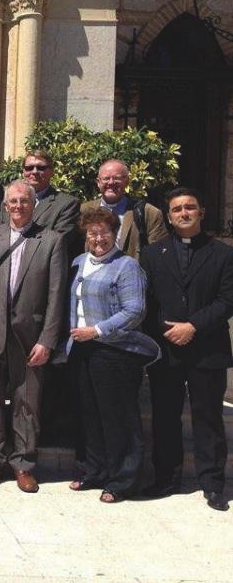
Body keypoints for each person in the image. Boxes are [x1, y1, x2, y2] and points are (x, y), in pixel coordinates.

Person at [140, 187, 233, 512]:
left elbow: (227, 300)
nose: (183, 213)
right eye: (177, 209)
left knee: (208, 418)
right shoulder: (153, 254)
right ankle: (166, 478)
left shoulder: (223, 254)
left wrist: (192, 326)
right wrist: (167, 331)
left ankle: (212, 484)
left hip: (207, 348)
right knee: (165, 417)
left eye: (190, 207)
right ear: (168, 216)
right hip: (167, 350)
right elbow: (146, 302)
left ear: (201, 212)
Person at [65, 207, 160, 503]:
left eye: (104, 233)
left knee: (119, 417)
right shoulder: (79, 262)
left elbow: (134, 311)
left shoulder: (126, 266)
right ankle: (94, 470)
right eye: (92, 233)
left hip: (114, 351)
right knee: (89, 414)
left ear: (115, 234)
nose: (98, 238)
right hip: (81, 350)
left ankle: (123, 480)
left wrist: (97, 331)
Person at [0, 180, 67, 493]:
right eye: (12, 202)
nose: (18, 206)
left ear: (34, 205)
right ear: (5, 206)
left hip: (31, 336)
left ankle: (24, 463)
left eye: (24, 201)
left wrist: (48, 339)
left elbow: (57, 294)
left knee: (27, 401)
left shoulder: (52, 240)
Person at [80, 159, 167, 259]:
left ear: (127, 182)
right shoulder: (84, 210)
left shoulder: (148, 213)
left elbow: (159, 256)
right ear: (98, 182)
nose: (111, 182)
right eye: (106, 178)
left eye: (117, 178)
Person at [0, 149, 80, 249]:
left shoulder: (67, 204)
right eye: (29, 168)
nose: (34, 172)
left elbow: (59, 242)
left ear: (51, 171)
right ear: (23, 172)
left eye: (41, 168)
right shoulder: (10, 201)